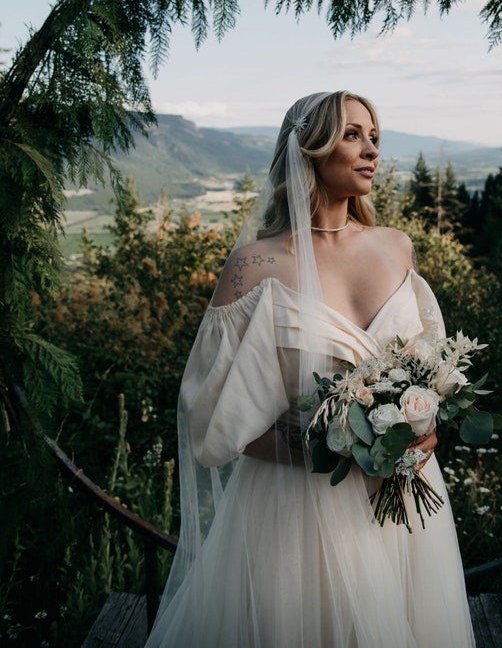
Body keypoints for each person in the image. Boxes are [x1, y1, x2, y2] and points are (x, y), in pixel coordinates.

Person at [145, 91, 475, 648]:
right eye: (352, 135)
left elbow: (431, 369)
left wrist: (426, 427)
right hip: (292, 514)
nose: (371, 150)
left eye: (375, 137)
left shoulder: (397, 247)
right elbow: (214, 421)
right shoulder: (255, 265)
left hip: (400, 505)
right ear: (309, 148)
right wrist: (336, 447)